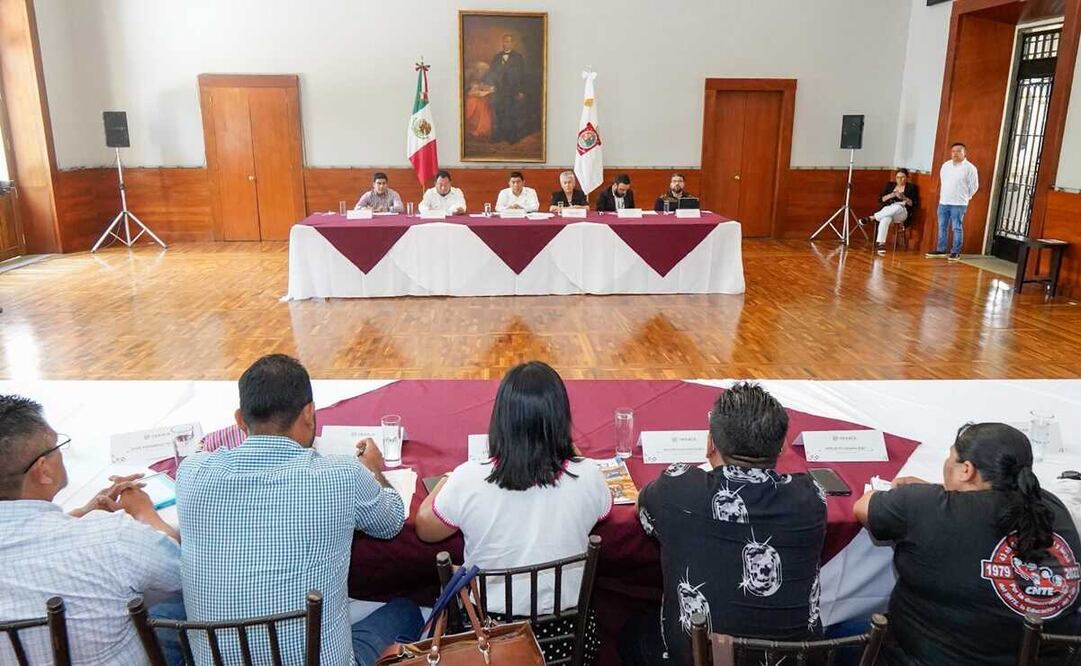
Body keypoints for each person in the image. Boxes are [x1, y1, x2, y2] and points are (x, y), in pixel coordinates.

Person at [176, 355, 422, 666]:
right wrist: (374, 470)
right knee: (406, 611)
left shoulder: (192, 472)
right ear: (308, 413)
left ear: (240, 420)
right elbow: (389, 523)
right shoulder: (342, 474)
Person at [415, 361, 611, 665]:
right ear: (561, 420)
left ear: (501, 421)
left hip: (489, 642)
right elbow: (603, 506)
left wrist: (446, 480)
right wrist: (568, 451)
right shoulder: (588, 476)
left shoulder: (468, 479)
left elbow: (425, 528)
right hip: (570, 639)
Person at [621, 382, 827, 666]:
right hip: (794, 660)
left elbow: (641, 506)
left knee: (634, 632)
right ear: (782, 447)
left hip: (699, 659)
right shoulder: (813, 497)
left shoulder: (677, 490)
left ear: (710, 444)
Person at [854, 423, 1081, 665]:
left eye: (951, 457)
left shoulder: (927, 507)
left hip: (924, 657)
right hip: (1044, 658)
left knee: (844, 630)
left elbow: (862, 506)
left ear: (966, 470)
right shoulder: (1051, 507)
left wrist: (930, 494)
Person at [0, 395, 185, 666]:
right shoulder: (111, 537)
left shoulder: (95, 532)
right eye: (56, 446)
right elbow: (181, 569)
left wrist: (78, 514)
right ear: (43, 471)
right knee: (183, 604)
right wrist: (143, 512)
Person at [926, 142, 978, 261]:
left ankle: (955, 252)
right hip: (944, 201)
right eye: (953, 151)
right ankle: (941, 250)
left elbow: (974, 187)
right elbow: (943, 181)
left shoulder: (970, 168)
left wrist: (965, 197)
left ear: (964, 153)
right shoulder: (946, 165)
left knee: (956, 227)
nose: (955, 153)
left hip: (959, 204)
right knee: (942, 227)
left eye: (959, 151)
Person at [862, 168, 919, 255]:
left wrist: (904, 198)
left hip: (902, 211)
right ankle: (881, 244)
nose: (900, 179)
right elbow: (882, 199)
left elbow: (913, 204)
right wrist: (892, 194)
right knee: (886, 218)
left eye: (903, 177)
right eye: (898, 177)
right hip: (888, 209)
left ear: (907, 177)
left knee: (898, 207)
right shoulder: (890, 185)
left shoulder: (911, 187)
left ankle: (872, 217)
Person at [489, 33, 527, 144]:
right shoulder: (496, 57)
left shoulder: (518, 57)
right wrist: (492, 86)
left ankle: (512, 136)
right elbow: (491, 73)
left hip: (513, 90)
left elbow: (523, 75)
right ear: (502, 43)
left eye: (509, 41)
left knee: (512, 113)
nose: (506, 43)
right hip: (499, 90)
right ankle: (500, 135)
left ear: (513, 43)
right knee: (499, 112)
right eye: (505, 41)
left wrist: (521, 90)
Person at [464, 62, 494, 140]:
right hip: (469, 96)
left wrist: (482, 87)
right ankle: (473, 127)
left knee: (483, 104)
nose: (483, 73)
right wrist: (471, 87)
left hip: (480, 96)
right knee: (474, 103)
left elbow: (484, 85)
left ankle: (482, 128)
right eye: (482, 71)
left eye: (485, 72)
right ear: (478, 70)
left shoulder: (485, 76)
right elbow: (464, 87)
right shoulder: (469, 74)